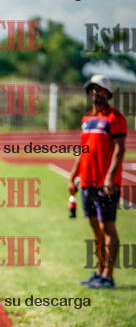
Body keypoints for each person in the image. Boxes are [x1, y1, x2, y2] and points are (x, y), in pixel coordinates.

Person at [68, 75, 127, 288]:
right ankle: (99, 271)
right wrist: (73, 175)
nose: (95, 92)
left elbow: (120, 149)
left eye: (99, 89)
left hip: (105, 185)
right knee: (96, 230)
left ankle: (108, 277)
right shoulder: (86, 118)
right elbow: (82, 150)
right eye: (92, 89)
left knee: (108, 229)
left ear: (107, 93)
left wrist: (110, 177)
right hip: (87, 183)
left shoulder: (115, 118)